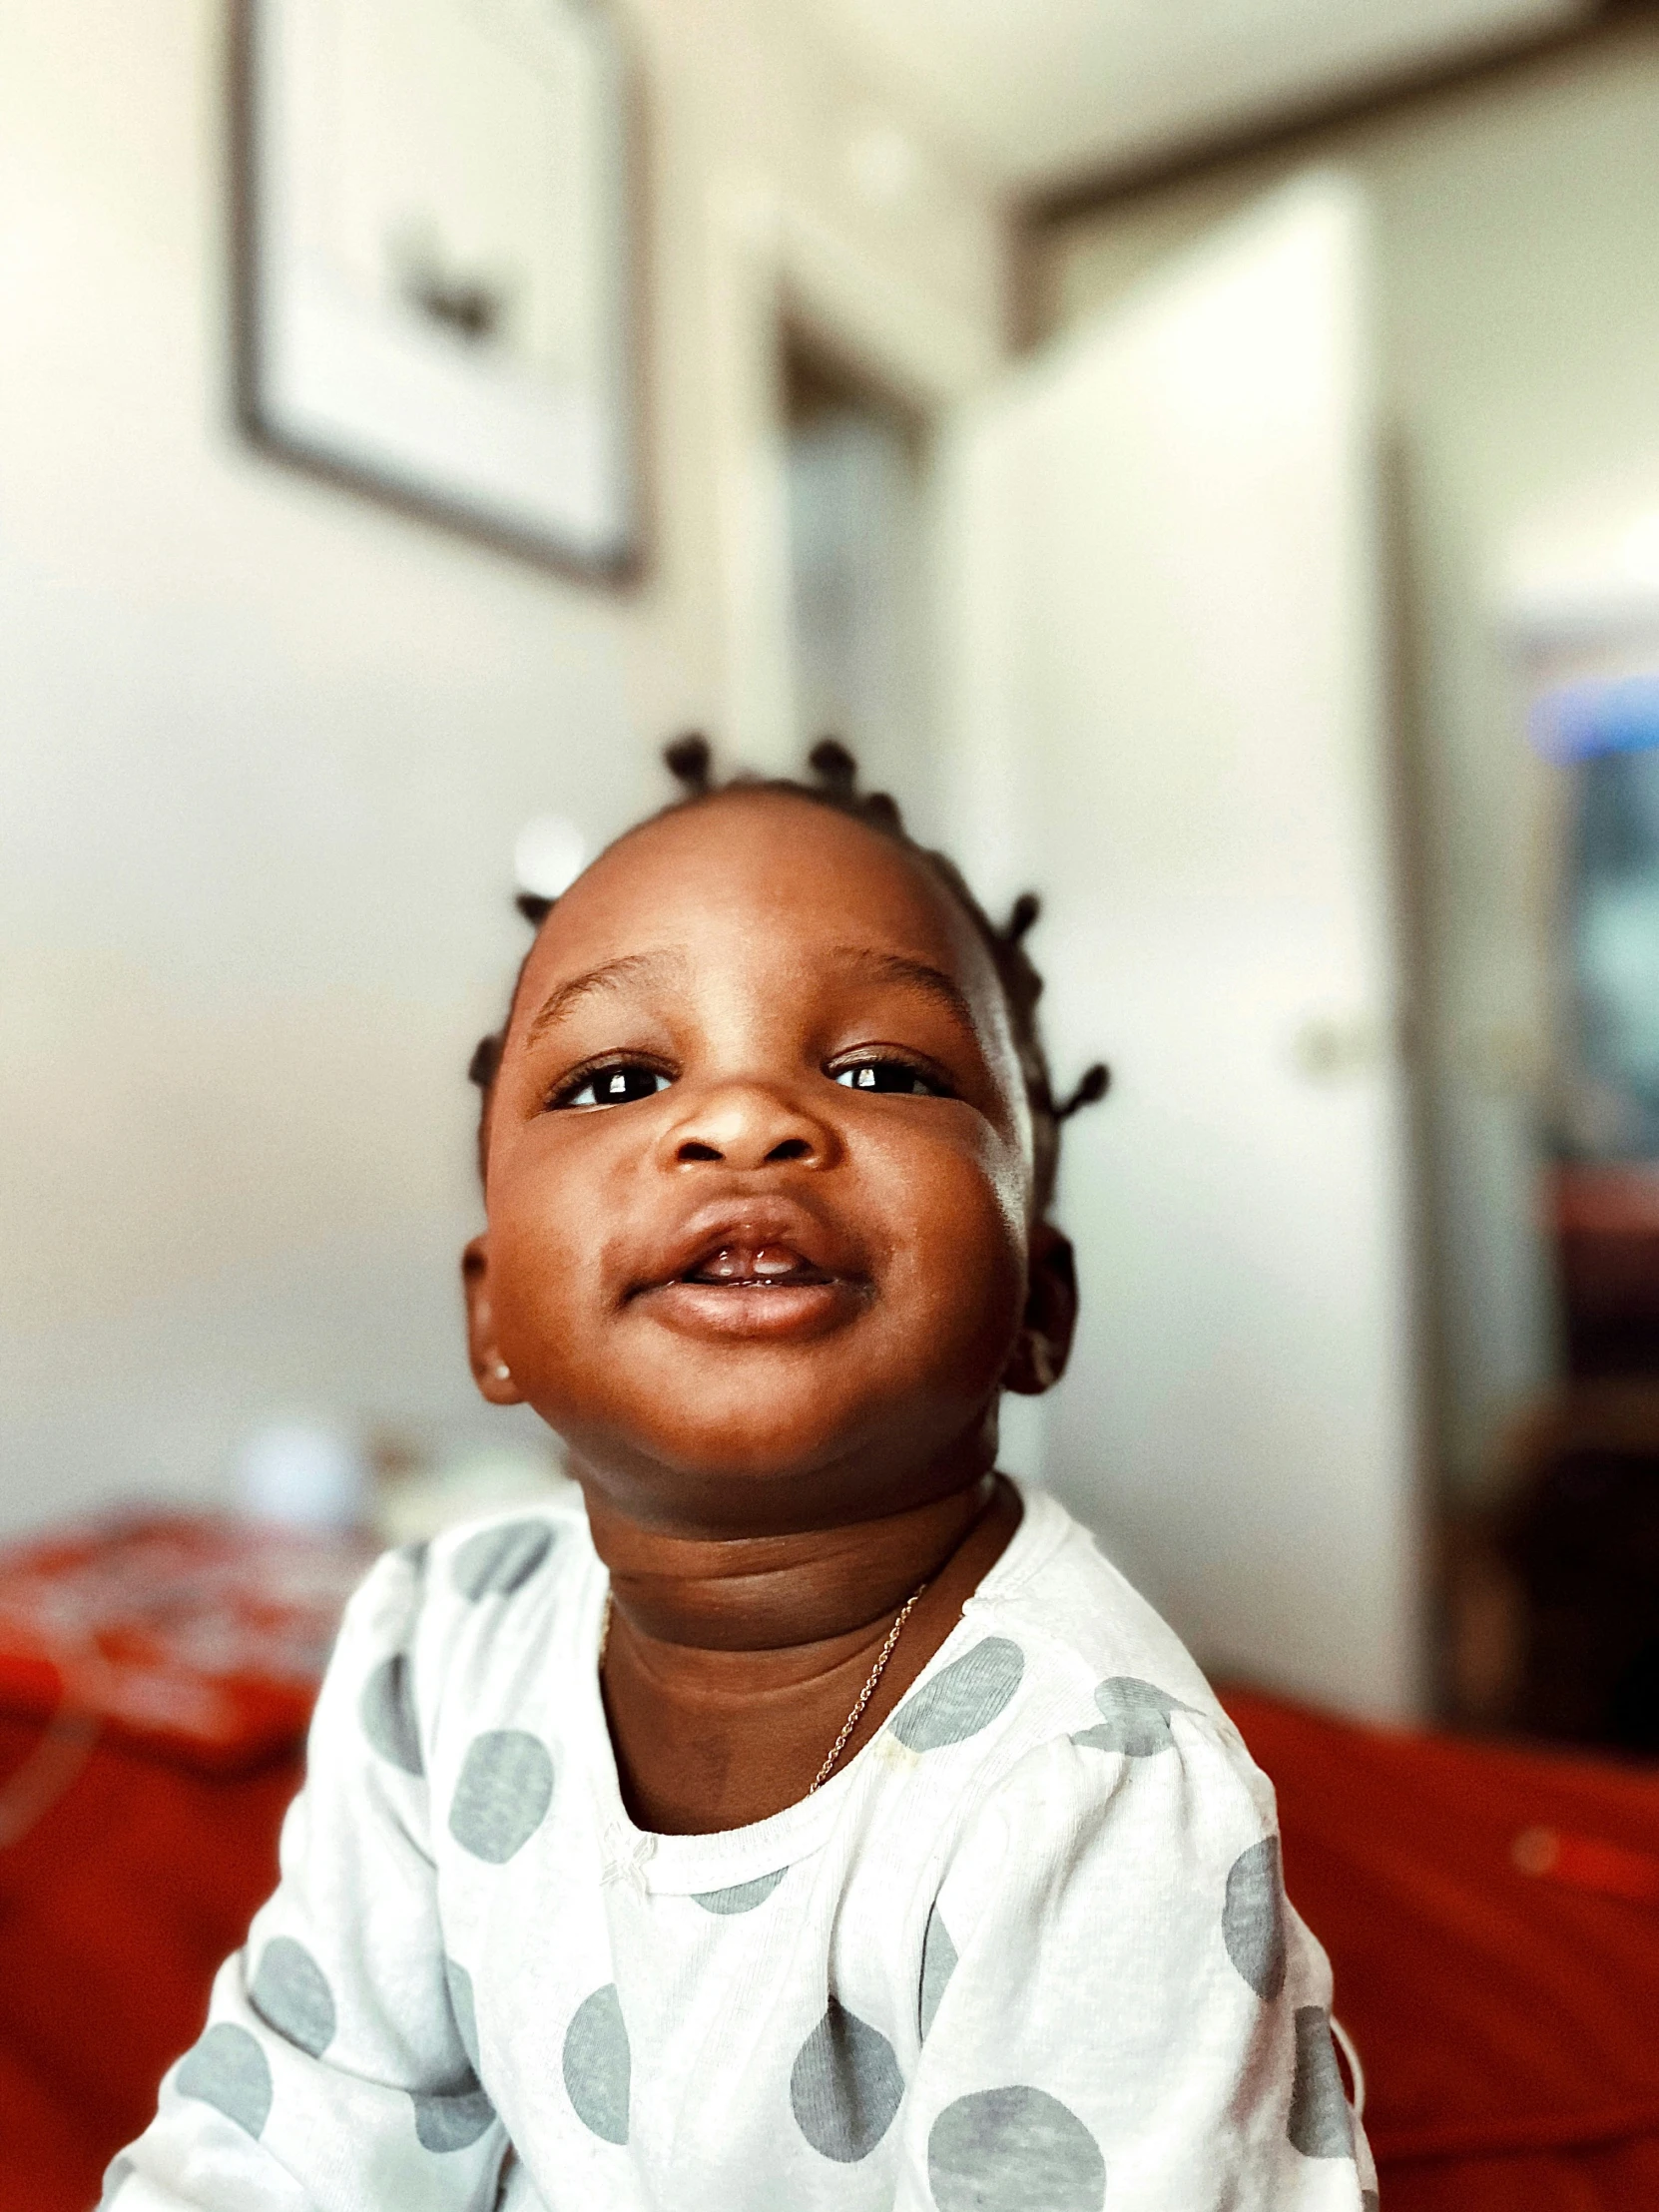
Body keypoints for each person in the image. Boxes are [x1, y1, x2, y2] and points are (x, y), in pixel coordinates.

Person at [107, 738, 1377, 2210]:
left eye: (880, 1070)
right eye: (622, 1076)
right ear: (490, 1317)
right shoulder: (432, 1643)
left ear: (1038, 1306)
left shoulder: (1090, 1795)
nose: (741, 1121)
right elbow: (299, 2139)